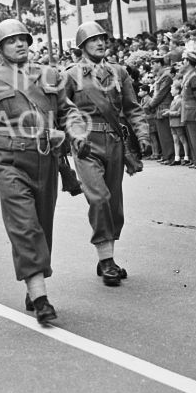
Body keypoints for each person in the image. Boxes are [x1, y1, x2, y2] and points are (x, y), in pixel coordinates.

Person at [0, 19, 74, 325]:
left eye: (23, 39)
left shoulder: (48, 75)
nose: (20, 44)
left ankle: (33, 288)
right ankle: (41, 297)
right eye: (12, 41)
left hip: (46, 158)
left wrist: (75, 132)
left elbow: (67, 110)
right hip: (9, 161)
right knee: (25, 226)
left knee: (43, 227)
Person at [61, 21, 152, 288]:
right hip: (86, 144)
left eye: (102, 39)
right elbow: (61, 112)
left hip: (114, 142)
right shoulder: (70, 76)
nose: (100, 43)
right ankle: (107, 261)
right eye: (93, 40)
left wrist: (143, 135)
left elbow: (132, 108)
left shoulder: (120, 72)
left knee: (113, 204)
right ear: (82, 46)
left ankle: (107, 257)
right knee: (99, 199)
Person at [166, 80, 189, 165]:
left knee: (182, 139)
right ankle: (177, 157)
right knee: (175, 140)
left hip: (178, 123)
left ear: (178, 90)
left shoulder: (180, 100)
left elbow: (179, 112)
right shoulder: (174, 100)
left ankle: (186, 157)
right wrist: (168, 111)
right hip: (173, 123)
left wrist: (169, 113)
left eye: (172, 89)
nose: (171, 91)